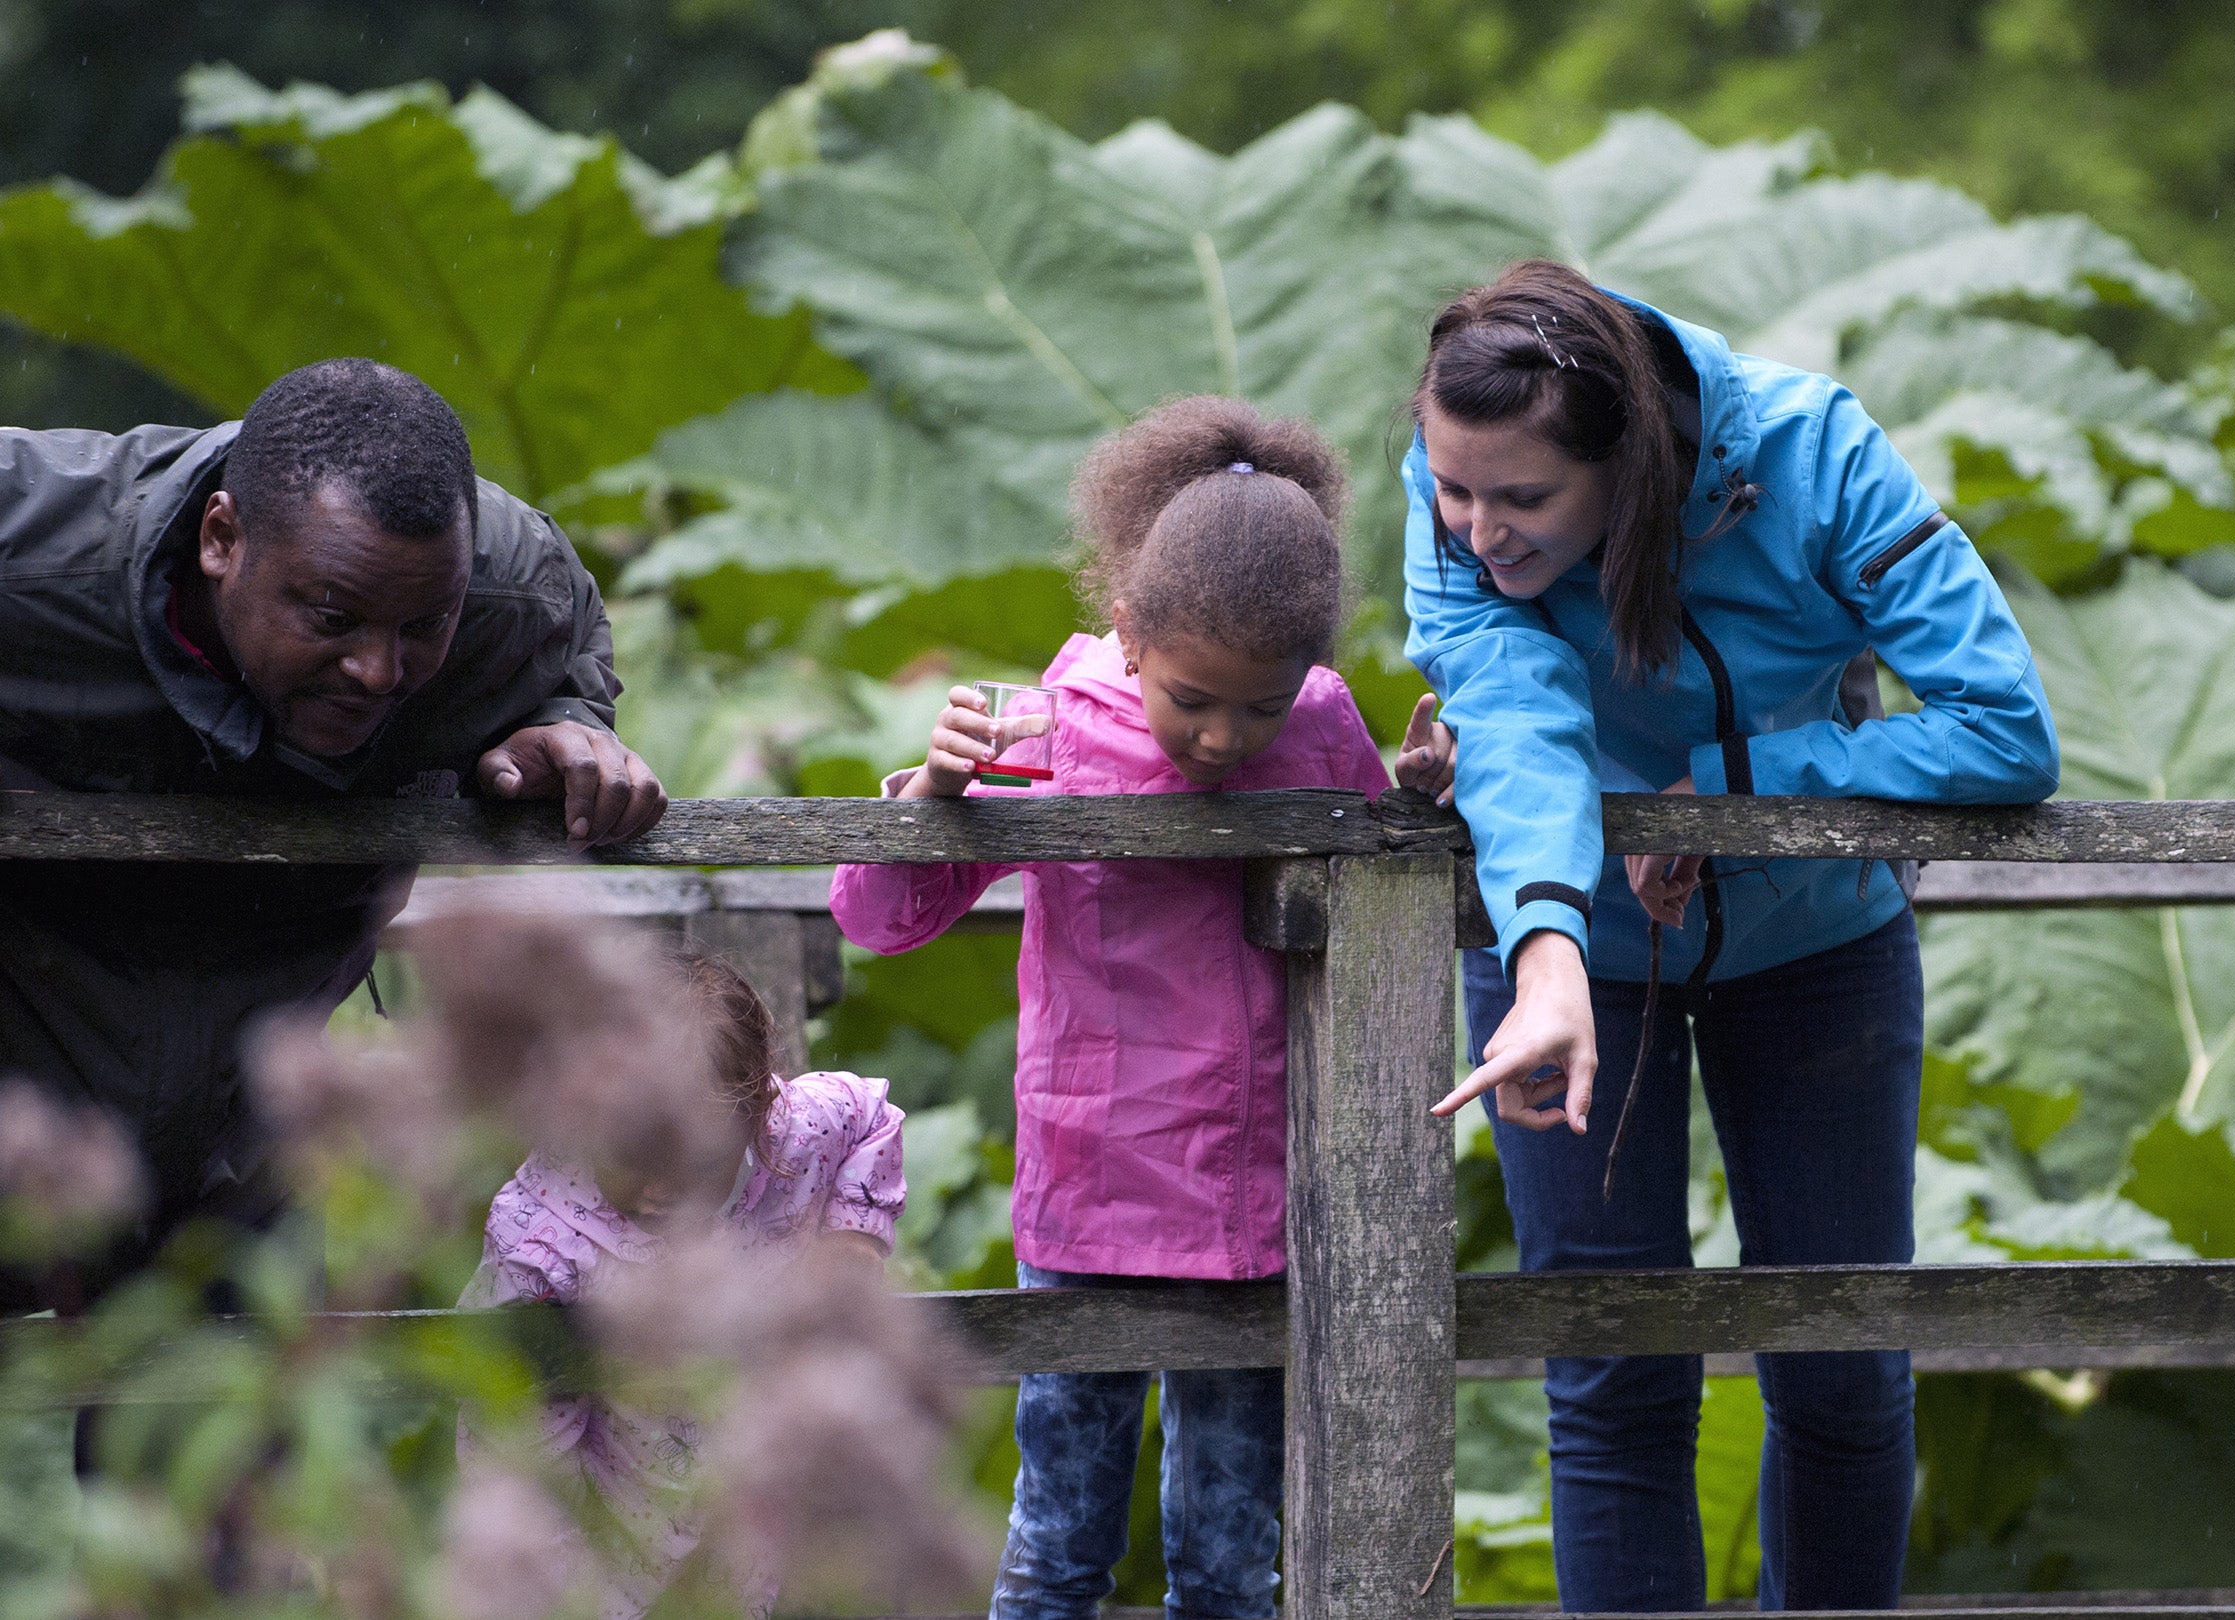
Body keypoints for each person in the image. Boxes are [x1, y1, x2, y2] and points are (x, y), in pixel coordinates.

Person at [1407, 261, 2060, 1612]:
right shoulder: (1456, 501)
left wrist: (1741, 786)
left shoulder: (1816, 453)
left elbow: (2005, 729)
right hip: (1567, 963)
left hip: (1818, 950)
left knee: (1839, 1368)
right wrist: (1543, 953)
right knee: (1613, 1373)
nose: (1479, 532)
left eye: (1524, 500)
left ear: (1632, 462)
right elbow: (1517, 722)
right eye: (1452, 490)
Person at [830, 396, 1455, 1620]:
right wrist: (933, 798)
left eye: (1257, 707)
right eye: (1191, 699)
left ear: (1310, 678)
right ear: (1125, 633)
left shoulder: (1322, 724)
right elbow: (881, 917)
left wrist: (1423, 809)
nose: (1225, 736)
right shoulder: (1047, 721)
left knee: (1229, 1558)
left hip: (1256, 1202)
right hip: (1087, 1193)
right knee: (1058, 1540)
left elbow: (1386, 879)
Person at [0, 358, 668, 1304]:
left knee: (237, 1434)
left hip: (252, 1145)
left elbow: (564, 651)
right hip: (24, 1093)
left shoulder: (510, 592)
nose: (376, 670)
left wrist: (572, 728)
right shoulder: (30, 544)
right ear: (221, 538)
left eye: (422, 627)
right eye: (332, 617)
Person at [464, 951, 907, 1620]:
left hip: (756, 1505)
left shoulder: (796, 1133)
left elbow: (871, 1117)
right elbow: (520, 1451)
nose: (661, 1184)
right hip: (607, 1540)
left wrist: (854, 1240)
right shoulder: (543, 1240)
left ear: (758, 1111)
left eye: (692, 1154)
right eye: (634, 1152)